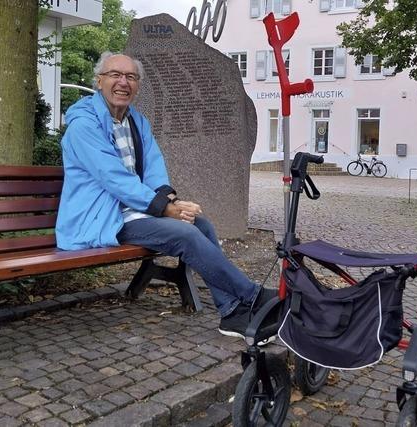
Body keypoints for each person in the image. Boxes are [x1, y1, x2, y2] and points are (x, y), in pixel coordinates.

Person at [56, 52, 274, 341]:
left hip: (131, 211)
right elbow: (114, 178)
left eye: (131, 77)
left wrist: (168, 201)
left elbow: (154, 167)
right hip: (101, 217)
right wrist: (166, 210)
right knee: (185, 235)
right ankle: (252, 296)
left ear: (138, 85)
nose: (123, 82)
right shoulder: (84, 126)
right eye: (115, 75)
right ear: (99, 81)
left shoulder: (136, 120)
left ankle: (231, 311)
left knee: (201, 226)